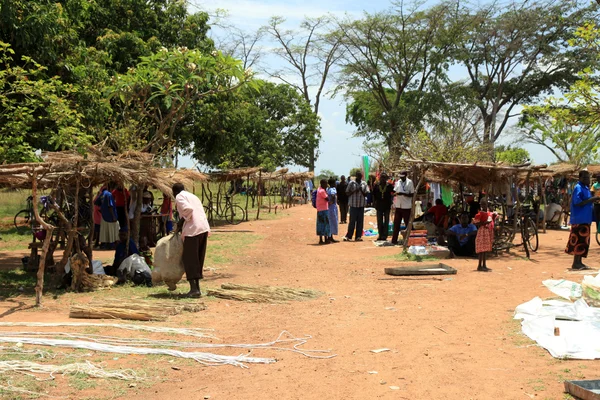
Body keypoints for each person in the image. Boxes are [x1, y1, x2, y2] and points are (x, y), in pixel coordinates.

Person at [173, 182, 210, 298]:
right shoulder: (193, 196)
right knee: (198, 259)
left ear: (174, 192)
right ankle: (197, 288)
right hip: (203, 228)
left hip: (193, 230)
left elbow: (188, 210)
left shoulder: (179, 197)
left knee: (189, 259)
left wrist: (180, 223)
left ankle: (193, 289)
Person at [566, 170, 599, 270]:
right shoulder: (578, 187)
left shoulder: (585, 187)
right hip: (579, 219)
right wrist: (593, 199)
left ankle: (579, 262)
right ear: (580, 178)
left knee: (583, 241)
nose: (587, 180)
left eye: (588, 178)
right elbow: (577, 202)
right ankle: (575, 263)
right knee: (578, 241)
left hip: (585, 218)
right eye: (585, 178)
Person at [343, 171, 369, 242]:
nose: (359, 177)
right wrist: (354, 191)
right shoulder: (351, 183)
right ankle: (349, 236)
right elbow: (347, 192)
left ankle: (358, 236)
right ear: (356, 176)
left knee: (360, 222)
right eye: (358, 176)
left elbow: (367, 193)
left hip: (361, 205)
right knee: (352, 221)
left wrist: (361, 190)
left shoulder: (364, 183)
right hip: (353, 205)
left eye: (361, 176)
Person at [391, 171, 414, 245]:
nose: (401, 177)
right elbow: (394, 191)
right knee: (396, 223)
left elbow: (412, 194)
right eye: (400, 176)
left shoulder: (410, 182)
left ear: (406, 175)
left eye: (402, 176)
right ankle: (394, 240)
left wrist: (403, 194)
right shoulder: (398, 182)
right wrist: (395, 194)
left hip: (406, 206)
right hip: (398, 205)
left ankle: (410, 239)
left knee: (407, 223)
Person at [473, 199, 496, 272]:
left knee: (485, 249)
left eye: (484, 204)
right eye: (482, 204)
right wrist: (485, 222)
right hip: (482, 231)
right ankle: (479, 266)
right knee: (482, 250)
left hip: (487, 231)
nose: (483, 206)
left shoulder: (488, 213)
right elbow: (476, 223)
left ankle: (484, 265)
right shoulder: (480, 214)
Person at [372, 172, 394, 241]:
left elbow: (394, 192)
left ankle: (385, 235)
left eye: (384, 178)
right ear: (380, 178)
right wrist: (374, 203)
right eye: (382, 177)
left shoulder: (389, 186)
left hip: (387, 205)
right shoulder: (376, 185)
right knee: (379, 221)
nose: (383, 179)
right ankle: (380, 235)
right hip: (379, 205)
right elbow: (373, 195)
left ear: (386, 178)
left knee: (386, 221)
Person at [98, 183, 119, 249]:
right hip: (110, 217)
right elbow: (110, 206)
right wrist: (113, 216)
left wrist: (102, 210)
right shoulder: (109, 194)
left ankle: (104, 244)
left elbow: (97, 203)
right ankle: (111, 244)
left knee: (104, 231)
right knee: (112, 230)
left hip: (104, 216)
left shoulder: (102, 194)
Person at [315, 179, 331, 245]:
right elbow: (327, 199)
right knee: (326, 224)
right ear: (323, 184)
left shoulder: (319, 189)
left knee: (320, 225)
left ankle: (321, 240)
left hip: (319, 210)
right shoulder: (322, 191)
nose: (327, 185)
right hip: (324, 209)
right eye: (326, 184)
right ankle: (326, 239)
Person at [327, 177, 339, 243]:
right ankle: (330, 237)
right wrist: (331, 201)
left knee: (330, 222)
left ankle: (330, 236)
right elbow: (333, 195)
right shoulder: (333, 189)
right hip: (332, 207)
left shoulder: (328, 189)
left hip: (329, 208)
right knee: (333, 221)